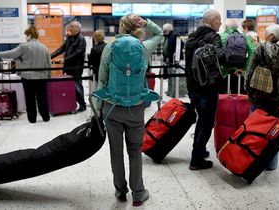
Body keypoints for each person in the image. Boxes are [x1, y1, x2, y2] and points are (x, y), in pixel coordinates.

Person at [97, 14, 162, 206]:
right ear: (136, 28)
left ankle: (120, 191)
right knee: (135, 152)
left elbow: (102, 79)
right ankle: (138, 193)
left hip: (112, 107)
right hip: (135, 108)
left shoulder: (109, 48)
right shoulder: (142, 48)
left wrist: (99, 111)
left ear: (121, 27)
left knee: (116, 152)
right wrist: (147, 23)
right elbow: (159, 34)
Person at [245, 24, 279, 170]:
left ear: (272, 36)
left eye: (266, 33)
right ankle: (271, 165)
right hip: (278, 101)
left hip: (259, 98)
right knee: (274, 133)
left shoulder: (261, 49)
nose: (264, 35)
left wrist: (249, 91)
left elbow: (250, 72)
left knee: (254, 130)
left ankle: (252, 160)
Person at [185, 10, 225, 170]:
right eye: (219, 21)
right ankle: (196, 160)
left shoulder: (192, 37)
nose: (220, 24)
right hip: (208, 87)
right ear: (213, 20)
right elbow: (221, 57)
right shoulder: (214, 37)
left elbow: (188, 65)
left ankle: (200, 151)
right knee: (207, 122)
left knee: (201, 120)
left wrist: (189, 89)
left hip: (193, 86)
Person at [0, 26, 51, 123]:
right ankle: (46, 117)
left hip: (27, 77)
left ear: (29, 35)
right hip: (42, 77)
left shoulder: (24, 47)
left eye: (26, 35)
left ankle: (32, 119)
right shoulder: (45, 48)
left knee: (30, 99)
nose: (25, 37)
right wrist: (48, 76)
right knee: (42, 98)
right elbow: (48, 64)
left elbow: (10, 54)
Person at [50, 21, 87, 112]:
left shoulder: (81, 39)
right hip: (68, 67)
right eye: (70, 26)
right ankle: (73, 103)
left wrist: (65, 59)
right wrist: (50, 56)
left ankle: (83, 104)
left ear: (77, 28)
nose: (69, 28)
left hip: (76, 67)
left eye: (72, 27)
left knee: (77, 86)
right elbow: (62, 48)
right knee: (70, 86)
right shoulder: (70, 38)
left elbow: (78, 53)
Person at [219, 19, 255, 94]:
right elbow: (253, 52)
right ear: (237, 27)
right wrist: (244, 68)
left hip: (224, 73)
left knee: (223, 97)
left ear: (226, 27)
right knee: (238, 96)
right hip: (239, 72)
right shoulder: (245, 37)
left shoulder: (220, 37)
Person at [162, 23, 186, 97]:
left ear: (169, 29)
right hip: (168, 59)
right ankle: (170, 91)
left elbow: (181, 44)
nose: (164, 31)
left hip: (175, 59)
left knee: (174, 76)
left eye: (165, 30)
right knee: (170, 77)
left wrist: (175, 53)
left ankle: (175, 92)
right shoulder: (167, 36)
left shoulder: (175, 35)